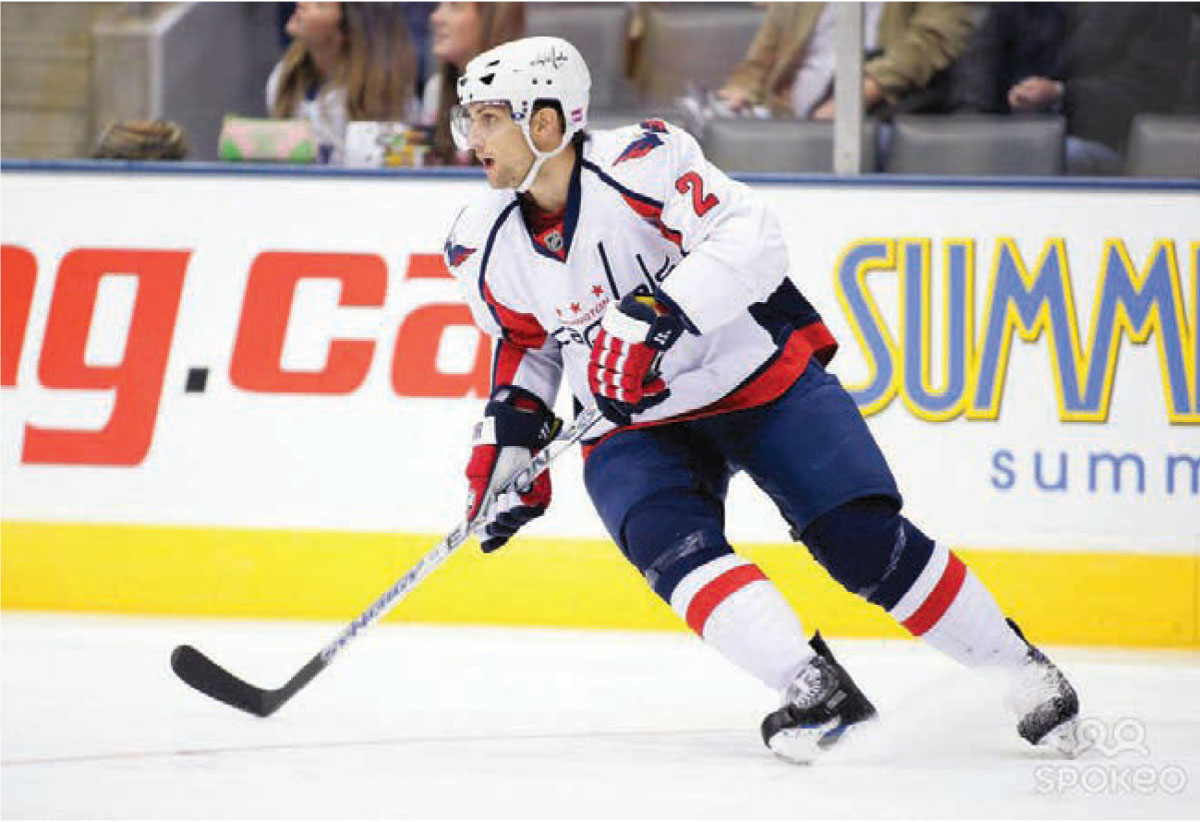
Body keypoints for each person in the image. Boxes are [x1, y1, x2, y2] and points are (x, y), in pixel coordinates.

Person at [442, 35, 1079, 762]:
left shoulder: (645, 162)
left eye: (491, 117)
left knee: (858, 541)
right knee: (670, 547)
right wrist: (510, 439)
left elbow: (752, 237)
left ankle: (1020, 670)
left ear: (546, 124)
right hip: (635, 421)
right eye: (473, 118)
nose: (474, 138)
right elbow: (528, 342)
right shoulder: (478, 240)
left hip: (754, 377)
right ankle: (815, 688)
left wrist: (659, 311)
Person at [946, 2, 1189, 175]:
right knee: (957, 147)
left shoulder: (1158, 7)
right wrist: (971, 118)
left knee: (1054, 155)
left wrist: (1061, 94)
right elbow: (979, 62)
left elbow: (1149, 91)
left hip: (1107, 141)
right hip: (1011, 132)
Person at [717, 2, 976, 120]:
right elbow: (760, 61)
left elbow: (933, 41)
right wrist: (741, 93)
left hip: (881, 115)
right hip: (785, 117)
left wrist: (856, 97)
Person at [267, 2, 418, 164]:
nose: (301, 4)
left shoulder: (388, 93)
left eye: (320, 4)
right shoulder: (284, 77)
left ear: (347, 30)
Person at [423, 1, 525, 164]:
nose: (436, 17)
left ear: (490, 19)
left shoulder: (528, 97)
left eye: (455, 6)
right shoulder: (435, 90)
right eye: (439, 5)